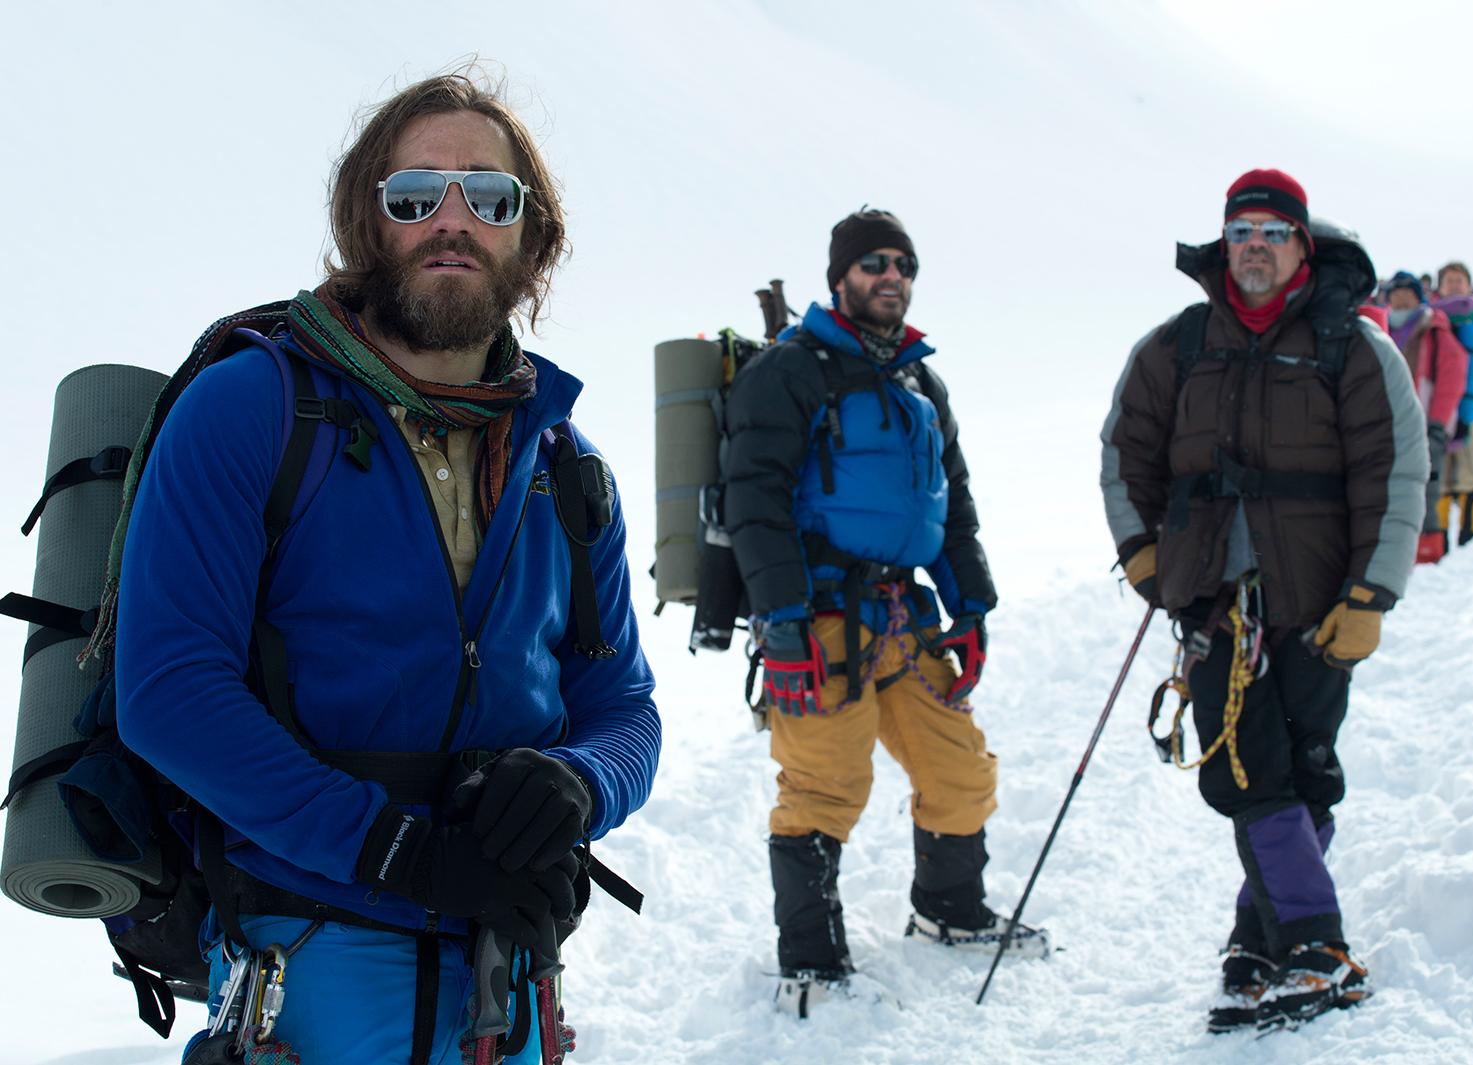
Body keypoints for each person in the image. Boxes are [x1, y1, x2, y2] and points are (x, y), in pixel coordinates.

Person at [115, 73, 661, 1063]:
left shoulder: (567, 468)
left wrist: (580, 785)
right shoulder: (251, 411)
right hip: (313, 963)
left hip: (509, 971)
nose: (452, 220)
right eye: (415, 195)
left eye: (489, 198)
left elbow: (623, 701)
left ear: (531, 236)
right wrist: (395, 851)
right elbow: (167, 691)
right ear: (366, 220)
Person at [1099, 169, 1426, 1032]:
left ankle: (1260, 941)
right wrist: (1141, 555)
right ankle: (1316, 942)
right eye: (1240, 229)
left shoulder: (1354, 349)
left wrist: (1371, 594)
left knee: (1304, 769)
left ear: (1301, 245)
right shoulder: (1176, 345)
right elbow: (1123, 451)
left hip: (1320, 601)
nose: (1254, 245)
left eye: (1272, 231)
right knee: (1245, 770)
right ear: (1223, 241)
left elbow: (1395, 476)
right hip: (1214, 601)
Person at [722, 207, 1047, 1016]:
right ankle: (811, 958)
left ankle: (949, 909)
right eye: (873, 263)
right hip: (822, 616)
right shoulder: (790, 370)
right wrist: (784, 620)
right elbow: (754, 503)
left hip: (906, 617)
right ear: (841, 278)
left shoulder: (920, 380)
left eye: (902, 263)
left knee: (960, 770)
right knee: (824, 784)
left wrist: (972, 606)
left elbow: (954, 504)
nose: (890, 276)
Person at [1384, 271, 1469, 562]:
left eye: (1407, 293)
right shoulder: (1380, 328)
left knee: (1427, 485)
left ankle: (1429, 547)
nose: (1401, 298)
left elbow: (1452, 376)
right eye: (1396, 293)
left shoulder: (1434, 329)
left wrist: (1438, 422)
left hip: (1425, 421)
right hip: (1387, 422)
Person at [1433, 262, 1473, 545]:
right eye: (1449, 281)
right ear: (1440, 287)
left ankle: (1472, 539)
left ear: (1468, 285)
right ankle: (1438, 541)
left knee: (1470, 475)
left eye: (1460, 281)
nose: (1455, 285)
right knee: (1441, 478)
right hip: (1437, 410)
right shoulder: (1429, 321)